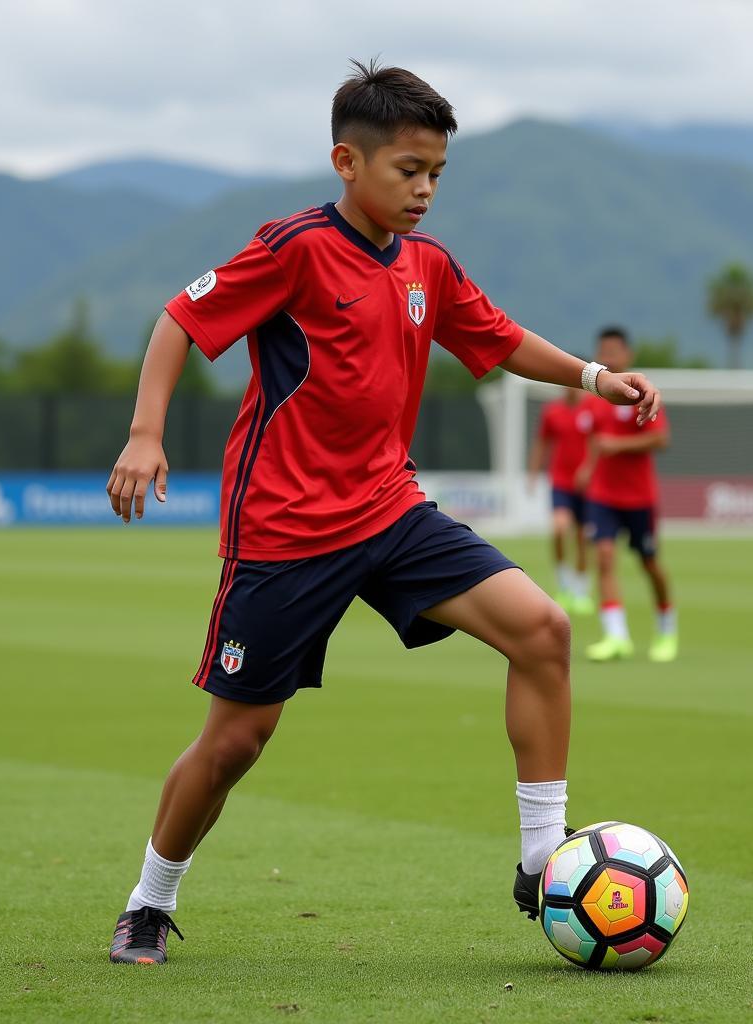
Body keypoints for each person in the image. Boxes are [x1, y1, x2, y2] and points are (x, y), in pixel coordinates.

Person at [104, 61, 661, 965]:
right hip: (285, 530)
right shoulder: (292, 247)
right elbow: (179, 319)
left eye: (437, 172)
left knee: (542, 629)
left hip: (391, 511)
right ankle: (149, 902)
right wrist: (143, 433)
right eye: (409, 170)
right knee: (239, 738)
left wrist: (596, 378)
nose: (426, 190)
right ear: (346, 162)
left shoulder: (427, 266)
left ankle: (540, 860)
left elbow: (499, 337)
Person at [576, 326, 676, 663]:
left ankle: (666, 627)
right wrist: (588, 467)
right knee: (603, 557)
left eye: (614, 351)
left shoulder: (641, 393)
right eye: (602, 351)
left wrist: (618, 445)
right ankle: (616, 636)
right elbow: (594, 440)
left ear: (628, 355)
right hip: (602, 494)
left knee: (649, 563)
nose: (608, 357)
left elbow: (661, 440)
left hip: (639, 497)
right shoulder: (595, 400)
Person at [528, 387, 596, 614]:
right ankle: (564, 585)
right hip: (561, 482)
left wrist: (589, 469)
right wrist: (533, 473)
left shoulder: (593, 408)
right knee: (559, 529)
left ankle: (582, 590)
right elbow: (542, 442)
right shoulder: (552, 411)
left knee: (583, 536)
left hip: (588, 483)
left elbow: (600, 443)